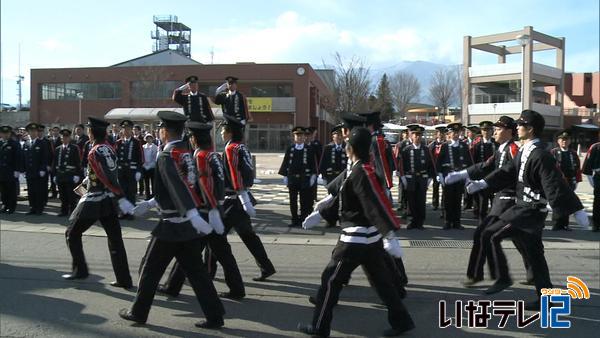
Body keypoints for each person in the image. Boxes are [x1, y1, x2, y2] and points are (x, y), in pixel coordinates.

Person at [465, 110, 589, 309]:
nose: (517, 128)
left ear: (530, 129)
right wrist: (483, 183)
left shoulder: (540, 154)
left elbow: (554, 183)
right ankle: (546, 298)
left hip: (529, 210)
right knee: (534, 254)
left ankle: (503, 278)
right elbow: (508, 172)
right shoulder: (526, 150)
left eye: (520, 125)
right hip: (525, 209)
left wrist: (576, 210)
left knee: (490, 233)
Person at [298, 127, 415, 337]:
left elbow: (374, 204)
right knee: (383, 283)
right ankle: (402, 322)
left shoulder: (362, 172)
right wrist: (321, 212)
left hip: (354, 240)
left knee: (330, 282)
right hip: (370, 240)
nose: (344, 146)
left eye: (346, 143)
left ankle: (319, 327)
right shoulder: (359, 168)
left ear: (350, 148)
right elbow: (342, 194)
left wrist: (389, 234)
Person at [119, 111, 225, 329]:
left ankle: (138, 313)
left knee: (150, 270)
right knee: (197, 274)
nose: (159, 132)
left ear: (165, 131)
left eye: (160, 129)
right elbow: (188, 185)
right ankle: (215, 316)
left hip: (172, 224)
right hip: (186, 224)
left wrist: (192, 214)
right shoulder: (186, 152)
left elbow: (177, 187)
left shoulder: (167, 155)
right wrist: (150, 203)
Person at [154, 121, 245, 300]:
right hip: (216, 208)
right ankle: (236, 288)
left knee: (190, 251)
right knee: (215, 252)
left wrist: (210, 209)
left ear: (194, 139)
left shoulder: (201, 156)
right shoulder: (214, 155)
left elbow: (203, 184)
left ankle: (174, 286)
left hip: (205, 211)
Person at [445, 116, 532, 290]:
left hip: (509, 200)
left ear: (509, 131)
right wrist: (463, 174)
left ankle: (488, 275)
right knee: (521, 239)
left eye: (499, 129)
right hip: (502, 198)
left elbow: (512, 174)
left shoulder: (514, 149)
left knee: (484, 234)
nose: (495, 132)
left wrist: (484, 184)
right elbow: (485, 165)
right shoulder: (502, 148)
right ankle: (533, 273)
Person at [63, 117, 134, 289]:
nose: (87, 132)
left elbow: (107, 175)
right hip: (108, 200)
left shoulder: (96, 150)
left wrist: (121, 195)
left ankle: (81, 270)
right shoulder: (107, 147)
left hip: (96, 199)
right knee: (115, 239)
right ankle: (124, 279)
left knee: (71, 233)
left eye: (88, 129)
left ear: (92, 132)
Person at [210, 114, 276, 281]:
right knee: (248, 236)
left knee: (215, 236)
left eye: (224, 130)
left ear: (230, 132)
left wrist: (241, 193)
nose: (222, 134)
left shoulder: (230, 148)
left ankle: (207, 270)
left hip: (232, 199)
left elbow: (234, 175)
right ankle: (266, 266)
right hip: (240, 198)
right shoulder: (242, 147)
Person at [436, 122, 473, 229]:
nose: (456, 135)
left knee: (457, 199)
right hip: (448, 176)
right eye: (453, 132)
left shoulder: (464, 146)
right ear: (449, 134)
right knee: (448, 199)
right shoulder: (445, 146)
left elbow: (469, 162)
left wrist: (468, 176)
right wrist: (440, 175)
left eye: (457, 132)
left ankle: (457, 221)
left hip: (460, 177)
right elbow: (439, 162)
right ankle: (448, 221)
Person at [279, 127, 318, 227]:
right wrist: (285, 176)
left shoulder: (309, 149)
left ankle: (303, 219)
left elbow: (313, 164)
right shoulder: (290, 148)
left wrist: (313, 176)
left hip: (304, 178)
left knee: (304, 200)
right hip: (292, 178)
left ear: (304, 137)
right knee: (293, 200)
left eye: (301, 136)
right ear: (294, 137)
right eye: (297, 136)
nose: (299, 138)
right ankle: (294, 219)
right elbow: (286, 162)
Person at [398, 125, 435, 229]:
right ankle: (411, 220)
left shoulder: (426, 149)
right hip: (411, 178)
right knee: (411, 201)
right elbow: (402, 165)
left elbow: (431, 165)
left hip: (422, 178)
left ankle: (420, 222)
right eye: (415, 135)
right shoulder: (406, 150)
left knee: (421, 200)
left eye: (419, 135)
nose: (417, 137)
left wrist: (430, 178)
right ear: (411, 136)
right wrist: (403, 178)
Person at [550, 129, 581, 231]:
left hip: (570, 180)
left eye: (566, 140)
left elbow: (577, 168)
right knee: (558, 202)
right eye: (562, 140)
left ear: (570, 141)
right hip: (557, 181)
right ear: (558, 141)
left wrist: (577, 180)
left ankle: (565, 224)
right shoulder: (553, 152)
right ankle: (556, 223)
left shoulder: (573, 153)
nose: (564, 141)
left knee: (567, 202)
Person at [114, 120, 144, 219]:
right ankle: (123, 211)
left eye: (128, 129)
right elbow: (115, 157)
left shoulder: (136, 142)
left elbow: (141, 157)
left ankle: (131, 212)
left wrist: (139, 171)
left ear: (131, 130)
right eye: (124, 128)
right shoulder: (119, 142)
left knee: (131, 192)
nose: (126, 131)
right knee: (122, 192)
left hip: (132, 170)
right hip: (121, 170)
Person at [471, 121, 498, 221]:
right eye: (484, 130)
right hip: (481, 175)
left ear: (492, 131)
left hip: (494, 174)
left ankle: (493, 217)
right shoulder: (477, 145)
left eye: (488, 130)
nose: (486, 132)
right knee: (482, 198)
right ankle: (481, 218)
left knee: (494, 198)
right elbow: (473, 161)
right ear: (481, 131)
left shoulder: (496, 144)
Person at [22, 123, 51, 215]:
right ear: (28, 132)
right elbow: (24, 158)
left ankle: (39, 208)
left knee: (39, 191)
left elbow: (45, 157)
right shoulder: (26, 143)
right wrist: (23, 169)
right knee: (31, 191)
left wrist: (43, 169)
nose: (33, 133)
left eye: (34, 131)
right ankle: (32, 208)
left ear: (37, 132)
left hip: (39, 172)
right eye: (31, 131)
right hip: (29, 171)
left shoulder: (42, 143)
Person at [53, 129, 82, 217]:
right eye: (63, 138)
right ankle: (63, 210)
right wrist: (54, 174)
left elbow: (77, 162)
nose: (64, 139)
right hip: (60, 175)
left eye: (66, 137)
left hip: (70, 175)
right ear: (61, 139)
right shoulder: (58, 149)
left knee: (71, 195)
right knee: (62, 194)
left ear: (69, 138)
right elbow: (55, 163)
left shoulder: (74, 148)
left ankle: (73, 211)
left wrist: (77, 174)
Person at [0, 126, 23, 214]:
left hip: (11, 171)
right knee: (3, 190)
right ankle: (5, 205)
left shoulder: (14, 143)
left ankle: (12, 207)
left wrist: (17, 170)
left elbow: (18, 157)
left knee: (11, 190)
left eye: (7, 133)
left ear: (10, 134)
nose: (5, 135)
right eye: (3, 133)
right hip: (2, 171)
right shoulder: (0, 143)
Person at [582, 139, 600, 232]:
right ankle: (596, 224)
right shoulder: (595, 147)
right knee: (598, 202)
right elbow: (587, 167)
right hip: (598, 178)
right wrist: (593, 183)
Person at [428, 126, 446, 213]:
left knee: (444, 188)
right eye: (439, 133)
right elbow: (429, 158)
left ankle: (443, 205)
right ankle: (435, 204)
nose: (441, 135)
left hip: (444, 170)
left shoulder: (446, 144)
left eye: (442, 133)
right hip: (435, 170)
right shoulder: (432, 145)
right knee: (435, 187)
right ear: (436, 134)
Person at [307, 126, 323, 202]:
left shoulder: (317, 143)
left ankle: (314, 197)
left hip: (315, 166)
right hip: (306, 167)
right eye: (314, 133)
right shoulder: (305, 143)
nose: (315, 135)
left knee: (314, 183)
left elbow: (320, 155)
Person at [141, 134, 158, 200]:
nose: (149, 139)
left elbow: (155, 158)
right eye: (147, 138)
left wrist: (150, 164)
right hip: (145, 167)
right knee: (146, 182)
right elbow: (142, 156)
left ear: (152, 139)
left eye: (150, 138)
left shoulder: (155, 147)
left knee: (153, 182)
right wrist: (145, 164)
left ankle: (154, 196)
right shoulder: (143, 146)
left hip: (152, 167)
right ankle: (147, 196)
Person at [49, 126, 62, 198]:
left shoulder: (61, 140)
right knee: (52, 178)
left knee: (59, 178)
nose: (55, 132)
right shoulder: (49, 140)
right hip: (51, 162)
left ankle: (60, 192)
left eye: (57, 131)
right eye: (54, 131)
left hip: (59, 162)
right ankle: (54, 193)